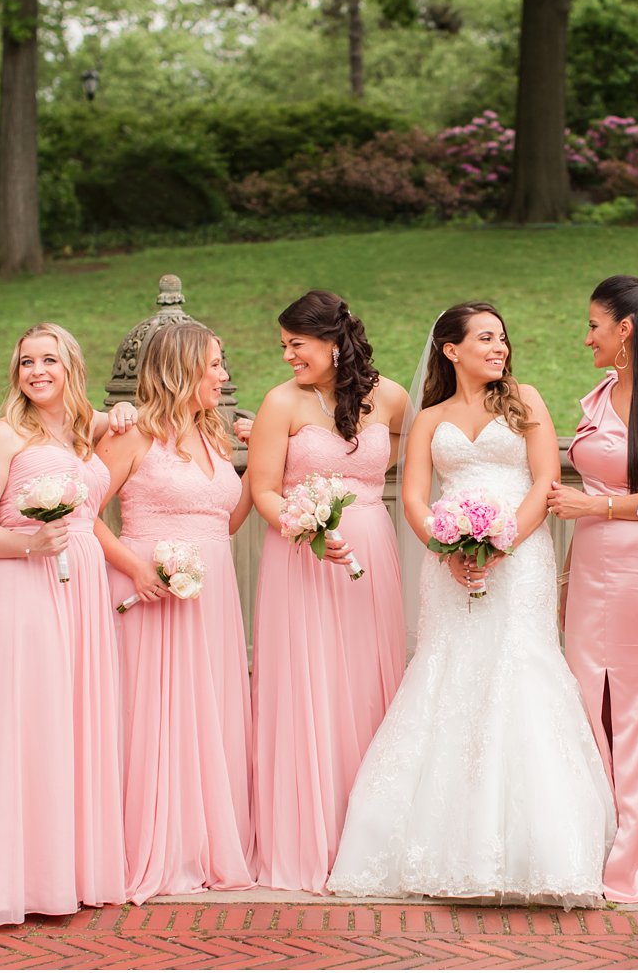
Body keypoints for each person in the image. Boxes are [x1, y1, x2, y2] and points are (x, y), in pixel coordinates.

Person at [327, 302, 614, 907]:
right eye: (486, 338)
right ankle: (443, 846)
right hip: (449, 566)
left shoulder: (526, 400)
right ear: (451, 350)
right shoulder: (430, 419)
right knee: (450, 675)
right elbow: (411, 497)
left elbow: (544, 480)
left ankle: (537, 853)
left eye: (503, 339)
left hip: (521, 556)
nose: (500, 348)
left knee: (520, 670)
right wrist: (447, 550)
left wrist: (503, 543)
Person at [0, 324, 134, 926]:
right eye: (27, 361)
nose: (37, 371)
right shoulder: (2, 435)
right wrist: (27, 544)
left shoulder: (83, 434)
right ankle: (19, 881)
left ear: (71, 368)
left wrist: (121, 414)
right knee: (27, 725)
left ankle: (73, 871)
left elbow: (116, 421)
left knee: (72, 725)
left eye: (49, 360)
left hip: (81, 589)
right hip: (22, 586)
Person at [249, 290, 409, 893]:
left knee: (368, 684)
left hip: (371, 554)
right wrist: (305, 525)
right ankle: (307, 838)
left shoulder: (390, 397)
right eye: (284, 345)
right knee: (309, 685)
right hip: (301, 557)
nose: (288, 355)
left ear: (333, 342)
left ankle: (368, 835)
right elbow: (264, 489)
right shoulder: (279, 403)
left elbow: (435, 443)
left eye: (297, 344)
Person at [97, 322, 256, 903]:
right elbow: (82, 510)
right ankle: (153, 844)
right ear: (183, 369)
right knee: (156, 715)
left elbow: (226, 520)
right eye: (214, 364)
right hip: (150, 590)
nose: (223, 375)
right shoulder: (134, 434)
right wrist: (135, 566)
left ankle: (204, 841)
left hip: (211, 595)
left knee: (207, 711)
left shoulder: (217, 437)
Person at [546, 275, 638, 903]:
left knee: (631, 708)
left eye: (594, 326)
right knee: (585, 705)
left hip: (636, 569)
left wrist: (597, 509)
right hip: (593, 565)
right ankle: (591, 839)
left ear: (625, 330)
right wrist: (570, 569)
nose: (587, 339)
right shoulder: (603, 392)